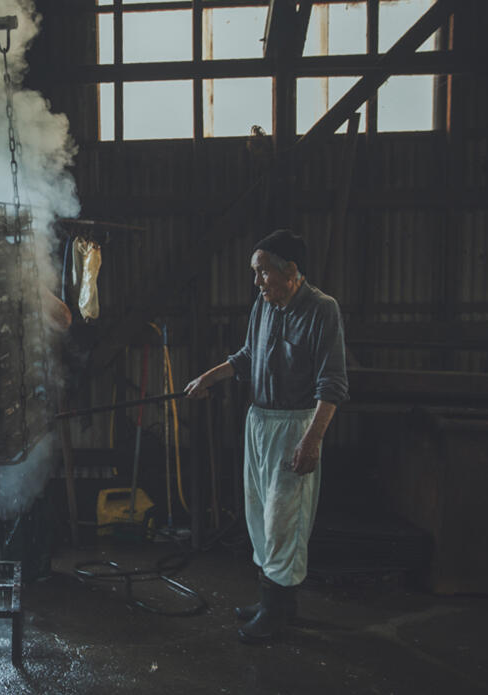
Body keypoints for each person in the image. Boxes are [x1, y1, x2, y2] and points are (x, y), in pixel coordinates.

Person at [185, 229, 348, 643]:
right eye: (255, 274)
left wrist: (311, 440)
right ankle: (275, 603)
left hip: (295, 424)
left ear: (290, 270)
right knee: (259, 514)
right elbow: (246, 357)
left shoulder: (322, 310)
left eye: (262, 273)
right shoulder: (264, 306)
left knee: (283, 521)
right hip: (258, 421)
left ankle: (276, 613)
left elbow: (332, 384)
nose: (257, 282)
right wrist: (208, 378)